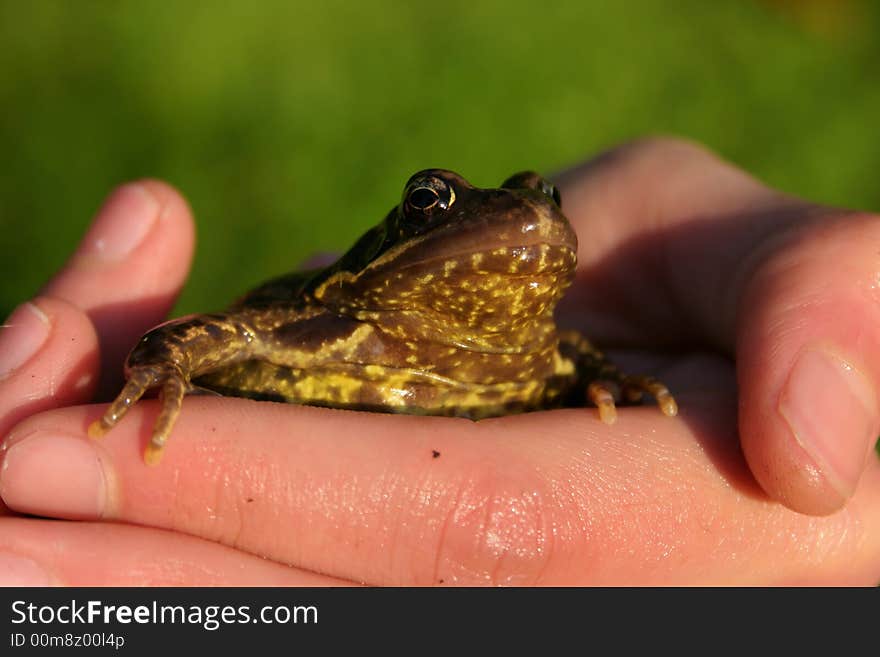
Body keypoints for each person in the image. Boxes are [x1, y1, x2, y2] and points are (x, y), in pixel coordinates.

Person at [0, 137, 878, 585]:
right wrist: (160, 372)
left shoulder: (556, 356)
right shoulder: (335, 321)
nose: (527, 219)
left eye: (547, 205)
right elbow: (201, 335)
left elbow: (583, 359)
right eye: (436, 202)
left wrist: (618, 379)